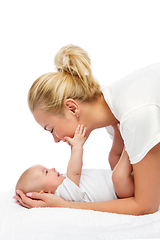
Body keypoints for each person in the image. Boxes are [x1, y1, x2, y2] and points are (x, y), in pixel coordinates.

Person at [15, 45, 160, 215]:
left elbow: (146, 205)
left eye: (51, 129)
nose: (55, 139)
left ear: (72, 108)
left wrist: (64, 206)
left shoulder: (133, 114)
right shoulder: (114, 114)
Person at [15, 125, 134, 204]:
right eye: (46, 172)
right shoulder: (63, 194)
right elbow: (75, 172)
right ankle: (130, 143)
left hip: (120, 181)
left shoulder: (65, 182)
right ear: (45, 193)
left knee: (113, 158)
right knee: (119, 177)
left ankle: (118, 131)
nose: (52, 168)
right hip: (122, 192)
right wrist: (76, 147)